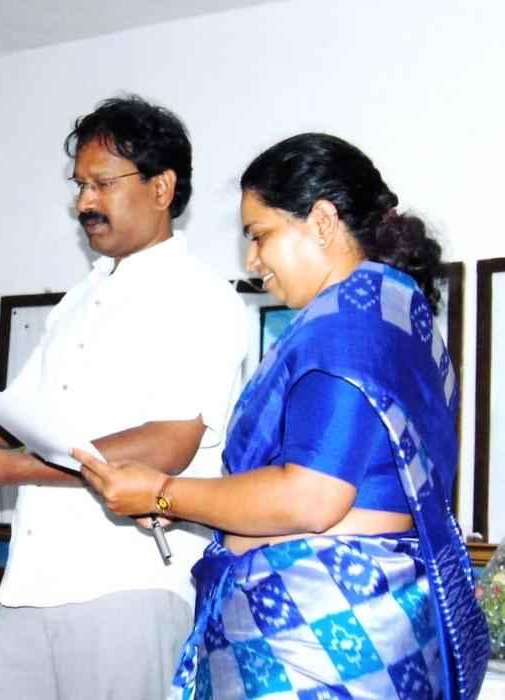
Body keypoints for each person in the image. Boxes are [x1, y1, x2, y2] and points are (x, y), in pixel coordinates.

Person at [77, 133, 491, 698]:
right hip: (352, 621)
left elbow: (311, 498)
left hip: (319, 637)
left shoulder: (349, 326)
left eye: (260, 235)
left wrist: (164, 494)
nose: (252, 261)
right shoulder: (394, 314)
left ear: (321, 221)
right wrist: (185, 504)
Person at [0, 97, 247, 699]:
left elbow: (168, 445)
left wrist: (11, 469)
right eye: (79, 186)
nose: (84, 203)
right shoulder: (77, 302)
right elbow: (16, 421)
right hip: (29, 584)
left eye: (102, 184)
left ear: (162, 187)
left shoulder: (200, 297)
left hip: (127, 583)